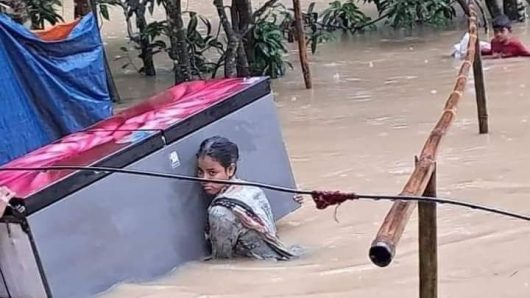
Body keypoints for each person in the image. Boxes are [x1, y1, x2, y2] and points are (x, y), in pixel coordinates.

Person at [196, 136, 302, 261]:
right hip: (284, 255)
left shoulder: (220, 212)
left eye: (212, 173)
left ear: (230, 169)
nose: (204, 178)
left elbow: (221, 260)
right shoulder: (253, 190)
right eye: (200, 172)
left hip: (265, 266)